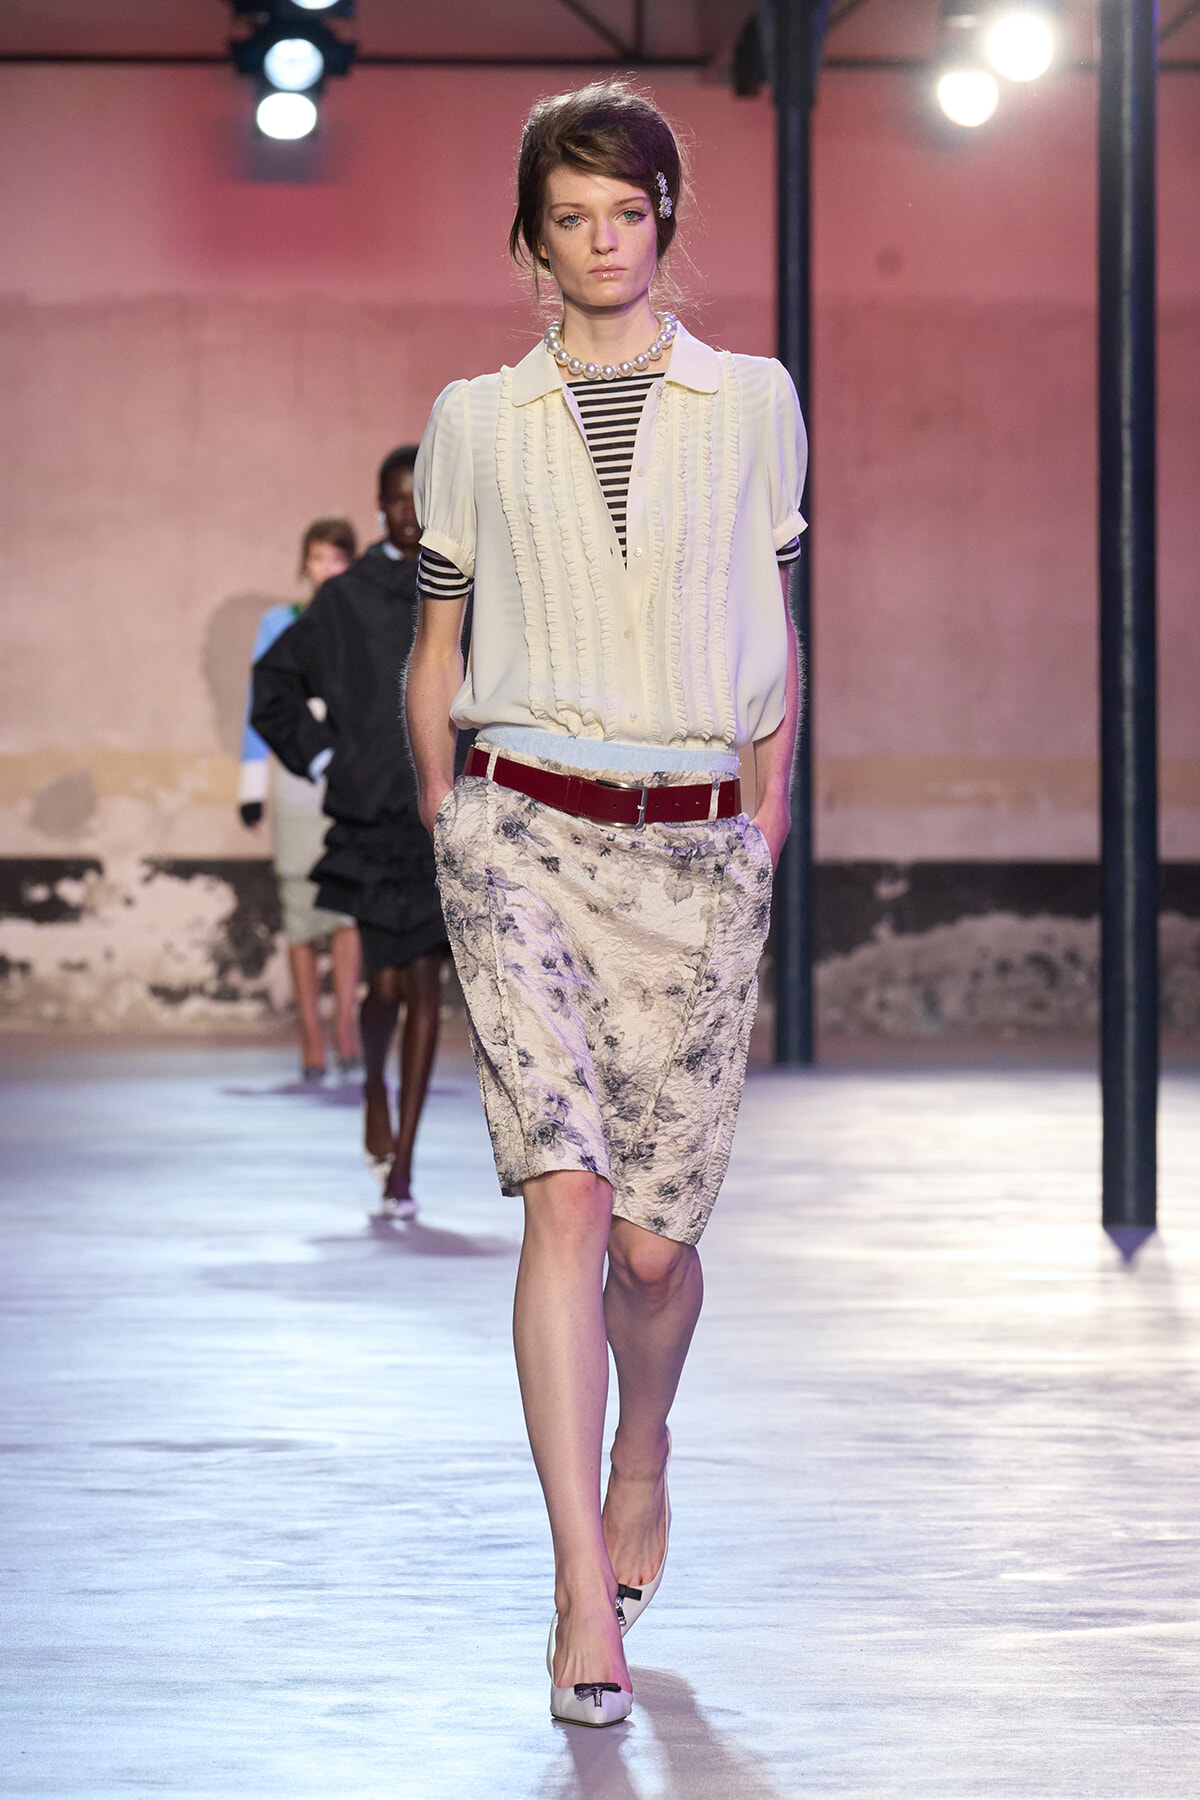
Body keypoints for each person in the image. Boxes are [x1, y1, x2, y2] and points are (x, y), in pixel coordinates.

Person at [406, 81, 805, 1728]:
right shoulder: (474, 420)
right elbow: (438, 642)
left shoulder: (753, 401)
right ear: (531, 237)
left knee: (650, 1251)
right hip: (522, 837)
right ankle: (581, 1588)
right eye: (567, 218)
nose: (599, 242)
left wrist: (767, 823)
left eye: (625, 213)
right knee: (563, 1203)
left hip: (701, 851)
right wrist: (448, 814)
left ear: (663, 220)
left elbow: (772, 623)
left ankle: (647, 1441)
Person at [252, 449, 449, 1222]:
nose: (409, 513)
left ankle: (404, 1161)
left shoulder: (463, 589)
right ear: (377, 505)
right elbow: (273, 685)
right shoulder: (347, 599)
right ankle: (373, 1085)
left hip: (441, 813)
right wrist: (327, 752)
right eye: (397, 500)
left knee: (428, 985)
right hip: (370, 815)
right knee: (386, 986)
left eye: (420, 499)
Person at [239, 518, 362, 1081]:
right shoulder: (278, 623)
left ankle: (346, 1029)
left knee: (346, 910)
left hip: (350, 776)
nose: (327, 569)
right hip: (293, 777)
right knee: (298, 905)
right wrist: (250, 790)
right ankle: (311, 1032)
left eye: (338, 559)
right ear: (304, 564)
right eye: (318, 558)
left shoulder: (360, 622)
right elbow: (259, 706)